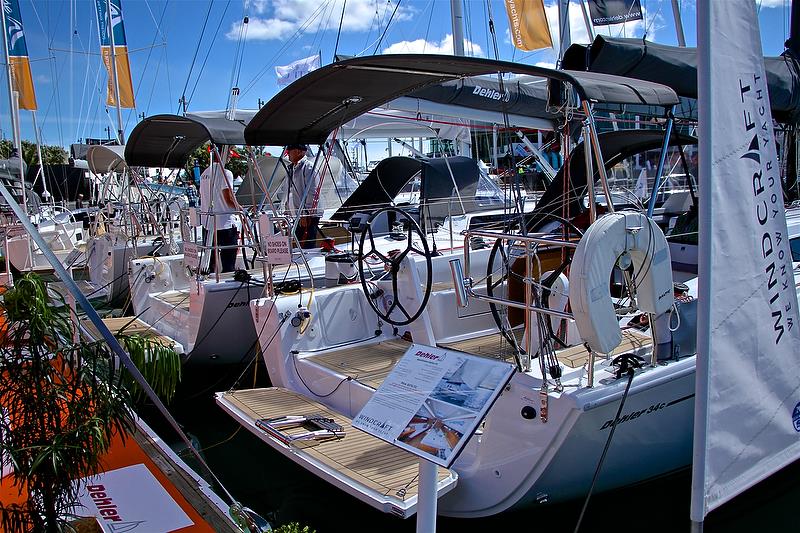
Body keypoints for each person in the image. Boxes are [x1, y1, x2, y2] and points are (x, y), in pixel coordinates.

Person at [199, 144, 239, 273]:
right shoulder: (226, 173)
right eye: (229, 152)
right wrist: (241, 210)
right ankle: (229, 288)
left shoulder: (204, 174)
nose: (230, 155)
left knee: (210, 263)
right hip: (225, 225)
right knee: (228, 264)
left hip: (208, 225)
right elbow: (228, 198)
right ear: (221, 153)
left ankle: (209, 287)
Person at [283, 143, 322, 249]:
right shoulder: (291, 168)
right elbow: (290, 192)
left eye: (289, 151)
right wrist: (287, 211)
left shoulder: (309, 167)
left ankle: (307, 263)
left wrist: (306, 213)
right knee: (297, 244)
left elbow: (313, 192)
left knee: (306, 244)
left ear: (299, 151)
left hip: (306, 214)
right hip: (297, 214)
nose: (288, 155)